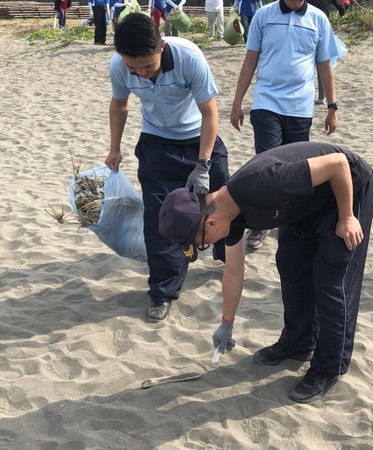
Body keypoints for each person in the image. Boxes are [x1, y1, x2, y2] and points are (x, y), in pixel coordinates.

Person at [159, 142, 373, 402]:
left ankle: (328, 367)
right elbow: (232, 271)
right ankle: (298, 343)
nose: (206, 247)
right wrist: (226, 323)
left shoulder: (262, 184)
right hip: (307, 204)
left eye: (202, 244)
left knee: (331, 279)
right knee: (290, 263)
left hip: (347, 188)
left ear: (210, 222)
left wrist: (345, 218)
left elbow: (338, 163)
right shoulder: (227, 214)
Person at [105, 12, 230, 322]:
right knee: (159, 222)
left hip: (199, 139)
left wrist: (203, 164)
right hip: (156, 143)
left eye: (148, 65)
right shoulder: (120, 66)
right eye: (134, 68)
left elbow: (209, 113)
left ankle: (227, 257)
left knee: (222, 208)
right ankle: (163, 291)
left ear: (161, 46)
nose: (142, 73)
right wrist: (115, 147)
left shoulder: (189, 57)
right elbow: (120, 105)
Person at [231, 0, 340, 250]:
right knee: (267, 165)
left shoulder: (319, 19)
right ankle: (260, 223)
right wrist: (237, 102)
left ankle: (291, 222)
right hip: (266, 102)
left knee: (296, 170)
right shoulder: (262, 15)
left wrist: (332, 106)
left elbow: (324, 65)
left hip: (301, 108)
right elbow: (250, 60)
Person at [307, 0, 345, 105]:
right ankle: (321, 96)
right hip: (323, 27)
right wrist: (342, 11)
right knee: (323, 61)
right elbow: (339, 5)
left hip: (307, 26)